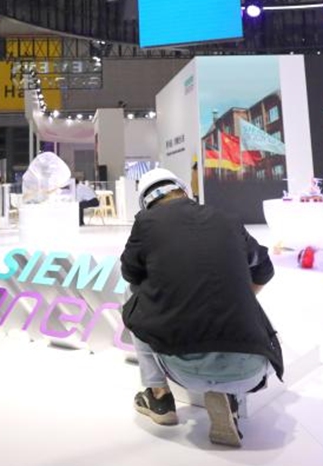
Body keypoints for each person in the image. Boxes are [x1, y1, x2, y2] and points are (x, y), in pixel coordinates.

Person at [120, 168, 284, 448]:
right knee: (236, 291)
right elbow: (264, 270)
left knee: (131, 296)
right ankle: (229, 395)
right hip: (253, 368)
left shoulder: (146, 223)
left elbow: (131, 275)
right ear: (184, 191)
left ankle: (159, 396)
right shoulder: (227, 219)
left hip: (183, 369)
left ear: (145, 202)